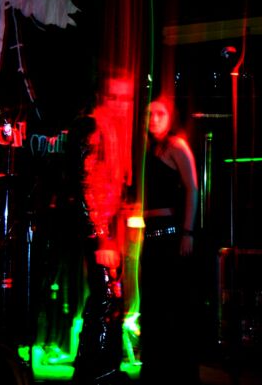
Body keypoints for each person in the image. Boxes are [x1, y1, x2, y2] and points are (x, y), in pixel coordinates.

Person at [140, 94, 200, 385]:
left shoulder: (176, 145)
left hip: (171, 236)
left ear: (171, 117)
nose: (154, 119)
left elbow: (192, 188)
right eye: (149, 114)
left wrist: (187, 232)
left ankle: (174, 373)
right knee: (152, 305)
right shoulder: (149, 148)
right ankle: (155, 370)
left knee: (169, 306)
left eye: (160, 113)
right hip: (151, 235)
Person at [67, 98, 128, 385]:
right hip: (97, 230)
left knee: (107, 298)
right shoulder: (91, 129)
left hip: (100, 228)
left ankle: (97, 368)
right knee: (105, 299)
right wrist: (101, 235)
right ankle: (96, 371)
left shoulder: (100, 129)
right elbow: (86, 182)